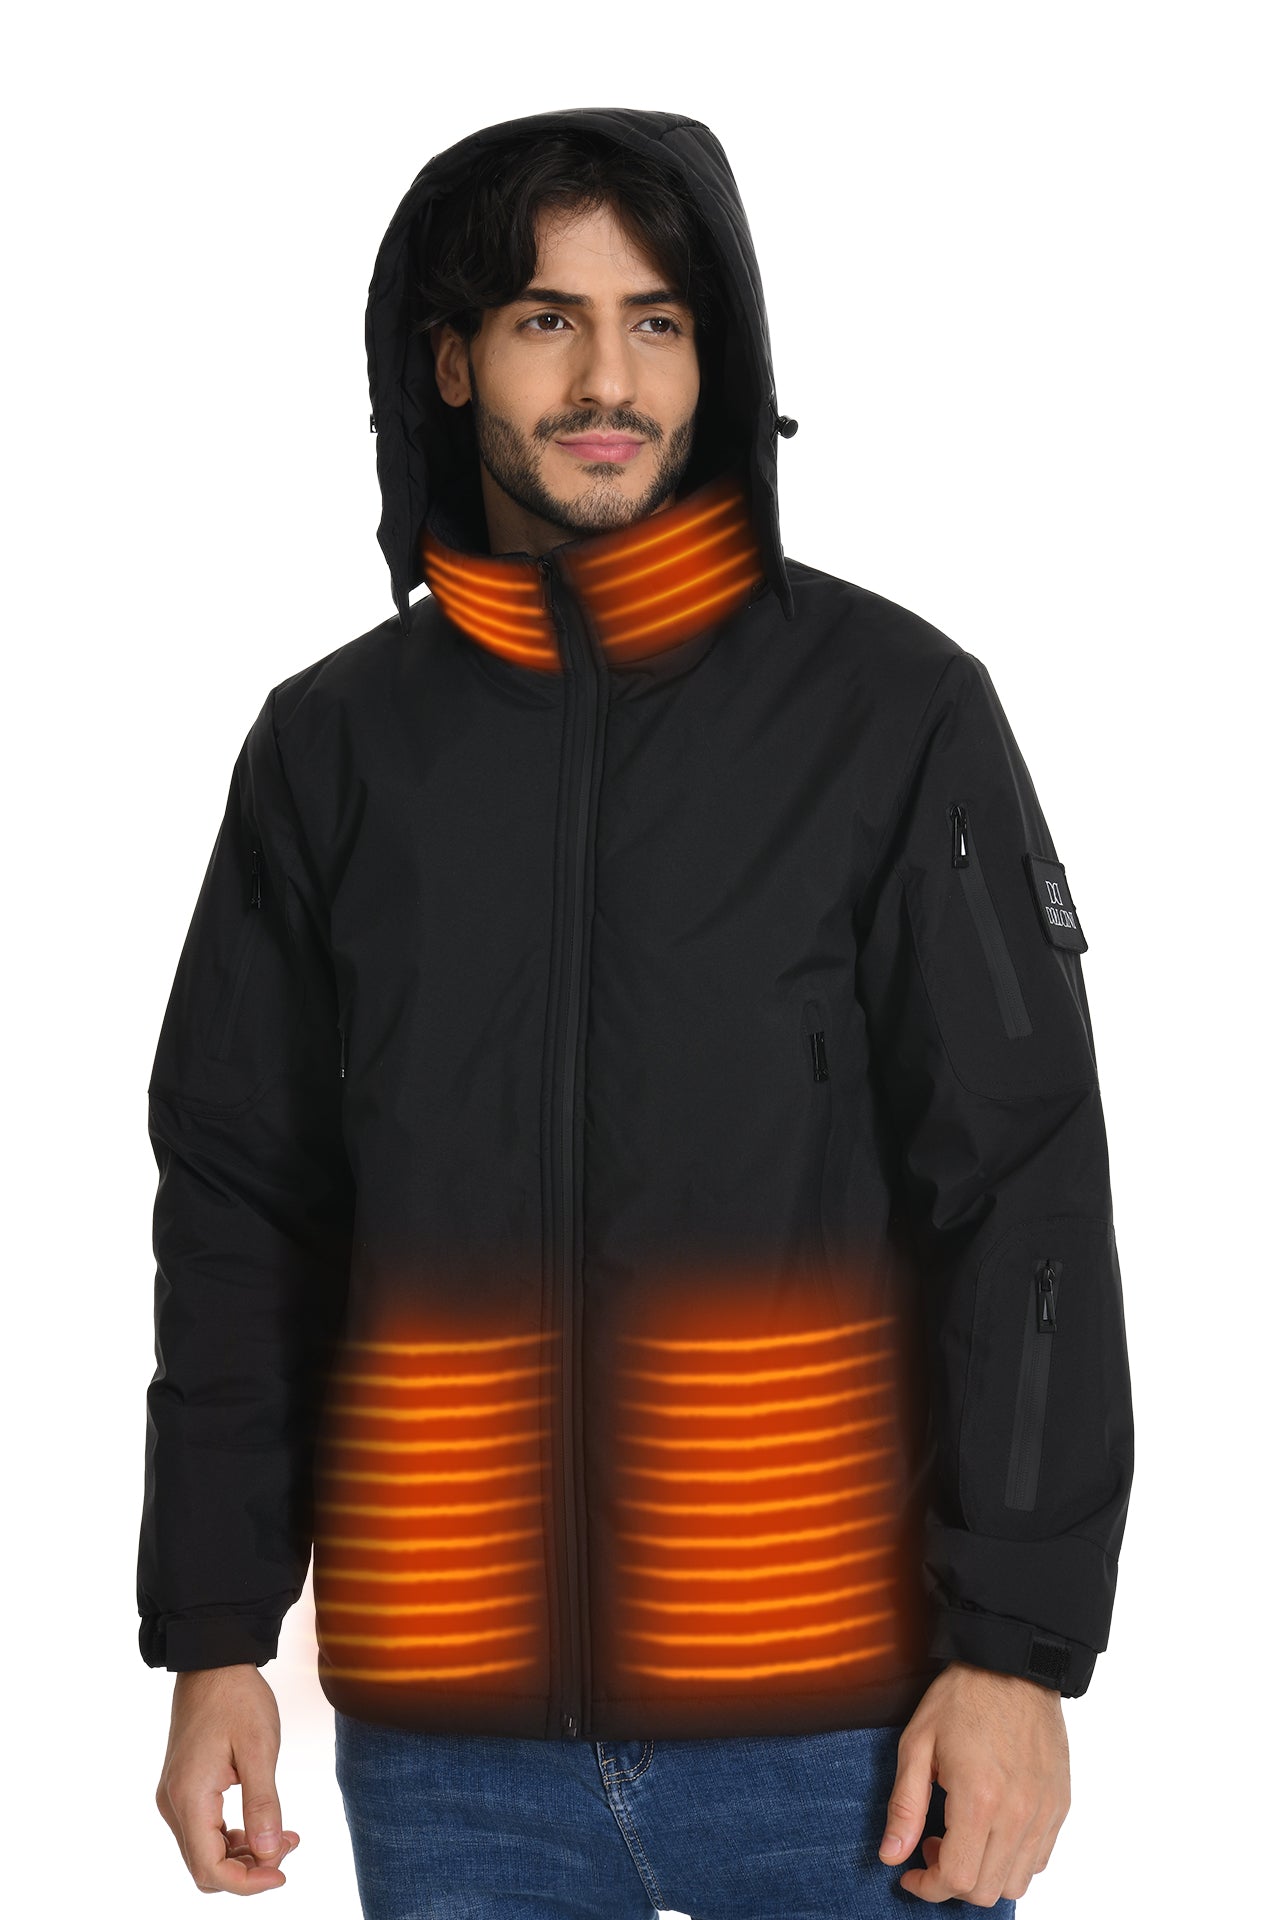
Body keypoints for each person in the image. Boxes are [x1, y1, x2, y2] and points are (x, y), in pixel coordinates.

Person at [140, 107, 1134, 1916]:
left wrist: (1020, 1650)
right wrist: (216, 1633)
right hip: (446, 1748)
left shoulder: (894, 712)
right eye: (548, 319)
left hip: (853, 1735)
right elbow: (241, 1207)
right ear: (452, 360)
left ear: (714, 355)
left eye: (656, 321)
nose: (609, 378)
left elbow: (1025, 1191)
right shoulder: (330, 750)